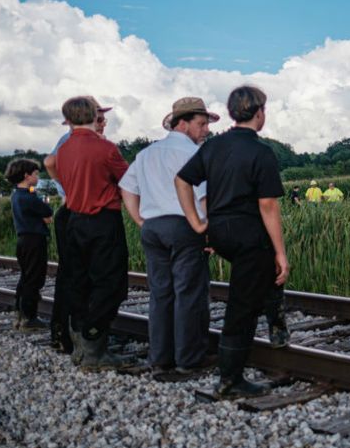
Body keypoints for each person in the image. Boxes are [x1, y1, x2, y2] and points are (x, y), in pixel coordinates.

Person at [175, 85, 288, 399]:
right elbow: (267, 205)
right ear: (259, 113)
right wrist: (281, 252)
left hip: (219, 232)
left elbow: (182, 180)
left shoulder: (213, 146)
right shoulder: (261, 152)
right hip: (248, 234)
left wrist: (197, 222)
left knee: (257, 281)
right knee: (242, 305)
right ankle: (230, 380)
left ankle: (274, 313)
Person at [120, 97, 219, 375]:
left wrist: (139, 219)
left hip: (152, 227)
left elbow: (127, 188)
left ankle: (160, 356)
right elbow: (201, 197)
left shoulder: (146, 153)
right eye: (201, 124)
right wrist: (207, 230)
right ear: (183, 123)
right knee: (189, 292)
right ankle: (189, 358)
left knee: (161, 293)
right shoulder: (193, 154)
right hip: (184, 226)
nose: (206, 130)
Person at [54, 96, 130, 370]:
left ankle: (80, 344)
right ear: (93, 115)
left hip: (74, 221)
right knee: (111, 282)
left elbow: (53, 167)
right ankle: (94, 344)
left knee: (79, 280)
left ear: (68, 118)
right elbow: (129, 181)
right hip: (102, 221)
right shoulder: (105, 148)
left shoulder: (63, 150)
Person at [43, 97, 112, 353]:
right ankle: (65, 332)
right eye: (99, 117)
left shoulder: (88, 140)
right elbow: (49, 162)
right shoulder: (72, 138)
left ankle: (75, 332)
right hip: (74, 211)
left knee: (77, 274)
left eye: (103, 118)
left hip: (75, 210)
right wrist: (69, 191)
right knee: (73, 275)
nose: (102, 122)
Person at [5, 158, 53, 331]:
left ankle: (20, 313)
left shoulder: (17, 195)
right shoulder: (29, 198)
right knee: (35, 278)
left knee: (26, 276)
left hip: (23, 240)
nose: (37, 177)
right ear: (27, 176)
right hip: (34, 240)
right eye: (35, 174)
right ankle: (29, 318)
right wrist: (45, 204)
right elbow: (48, 213)